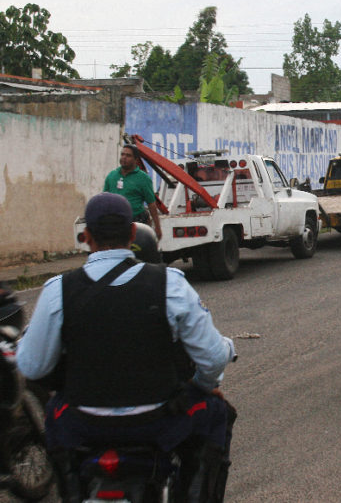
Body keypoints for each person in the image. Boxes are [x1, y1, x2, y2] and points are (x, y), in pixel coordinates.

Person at [17, 192, 237, 503]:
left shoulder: (58, 291)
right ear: (133, 233)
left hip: (83, 424)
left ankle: (71, 491)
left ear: (86, 236)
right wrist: (203, 386)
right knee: (215, 412)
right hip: (157, 424)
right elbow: (213, 358)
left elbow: (32, 366)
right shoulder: (170, 284)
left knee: (54, 411)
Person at [103, 144, 163, 240]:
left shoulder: (143, 178)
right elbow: (104, 200)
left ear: (136, 160)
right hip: (115, 224)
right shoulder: (111, 176)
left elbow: (151, 204)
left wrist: (157, 228)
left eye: (128, 155)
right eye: (122, 154)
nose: (124, 158)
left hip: (136, 224)